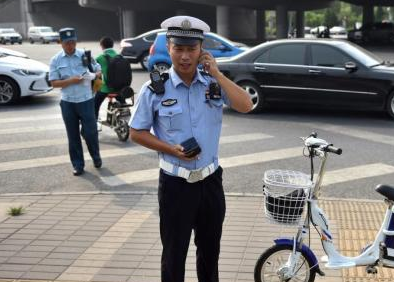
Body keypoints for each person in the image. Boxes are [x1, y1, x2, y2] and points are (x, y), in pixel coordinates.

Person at [129, 16, 252, 282]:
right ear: (169, 48)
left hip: (210, 183)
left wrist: (217, 73)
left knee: (210, 253)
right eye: (178, 49)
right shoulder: (154, 89)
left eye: (191, 49)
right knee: (174, 255)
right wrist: (171, 149)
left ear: (201, 51)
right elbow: (135, 132)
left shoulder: (214, 83)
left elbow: (246, 105)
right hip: (175, 184)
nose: (185, 56)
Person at [48, 28, 102, 176]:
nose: (70, 46)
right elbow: (53, 83)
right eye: (67, 43)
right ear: (61, 43)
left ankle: (96, 157)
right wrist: (71, 81)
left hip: (86, 100)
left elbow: (98, 70)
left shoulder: (85, 56)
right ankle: (78, 165)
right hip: (68, 103)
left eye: (73, 42)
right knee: (73, 136)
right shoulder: (56, 60)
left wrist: (93, 75)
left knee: (91, 133)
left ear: (76, 41)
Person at [94, 36, 123, 120]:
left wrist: (95, 88)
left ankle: (95, 121)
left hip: (106, 89)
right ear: (112, 45)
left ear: (102, 46)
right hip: (120, 89)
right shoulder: (120, 57)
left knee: (95, 104)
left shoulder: (100, 58)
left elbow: (97, 74)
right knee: (123, 104)